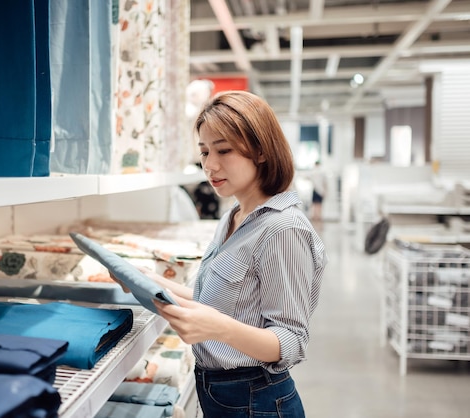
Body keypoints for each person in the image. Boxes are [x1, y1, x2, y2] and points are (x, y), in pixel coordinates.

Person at [112, 90, 327, 418]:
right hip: (220, 393)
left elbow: (291, 341)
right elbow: (214, 300)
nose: (210, 165)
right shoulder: (233, 217)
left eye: (224, 150)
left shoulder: (283, 229)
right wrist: (153, 282)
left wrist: (219, 329)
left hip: (257, 398)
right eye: (204, 151)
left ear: (261, 151)